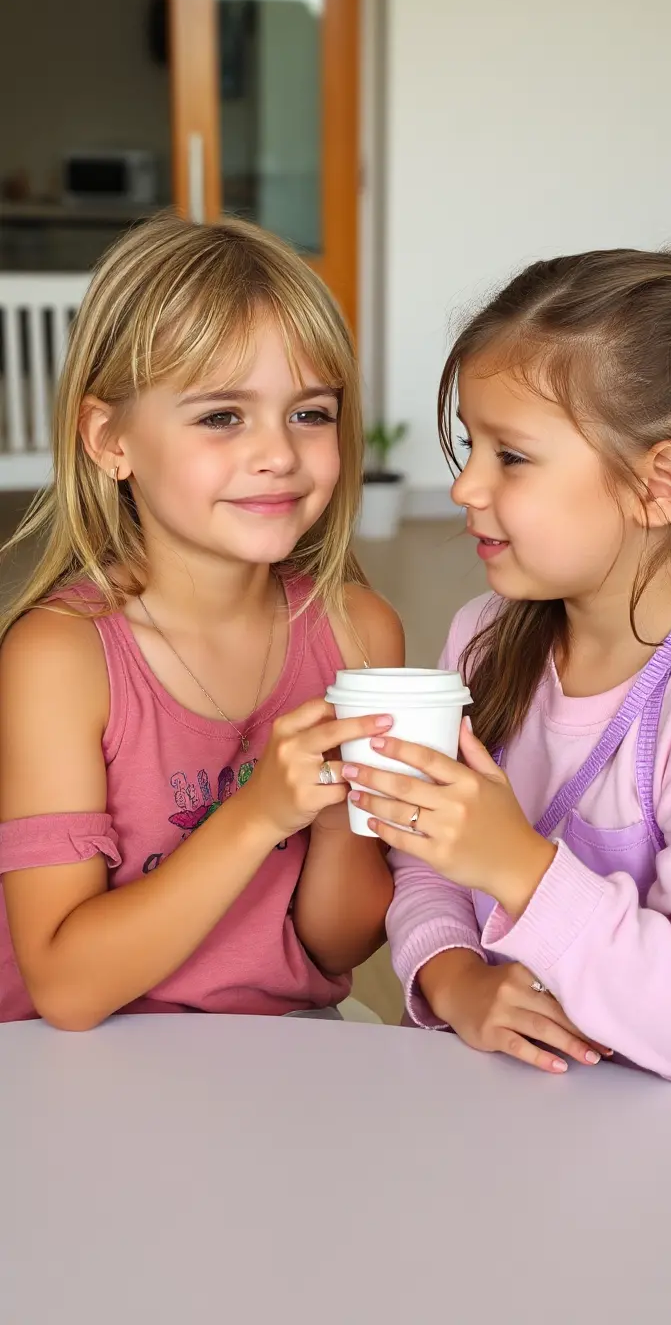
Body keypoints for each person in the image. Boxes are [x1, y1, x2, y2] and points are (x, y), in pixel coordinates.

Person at [345, 248, 671, 1089]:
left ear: (659, 485)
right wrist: (453, 977)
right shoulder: (484, 636)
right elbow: (426, 857)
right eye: (472, 446)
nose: (464, 487)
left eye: (511, 456)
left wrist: (518, 867)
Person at [0, 213, 403, 1029]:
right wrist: (258, 814)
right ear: (110, 440)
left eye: (311, 413)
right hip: (82, 1060)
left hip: (278, 1049)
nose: (279, 454)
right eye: (223, 416)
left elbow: (333, 947)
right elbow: (68, 990)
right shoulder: (61, 656)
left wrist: (338, 812)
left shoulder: (359, 629)